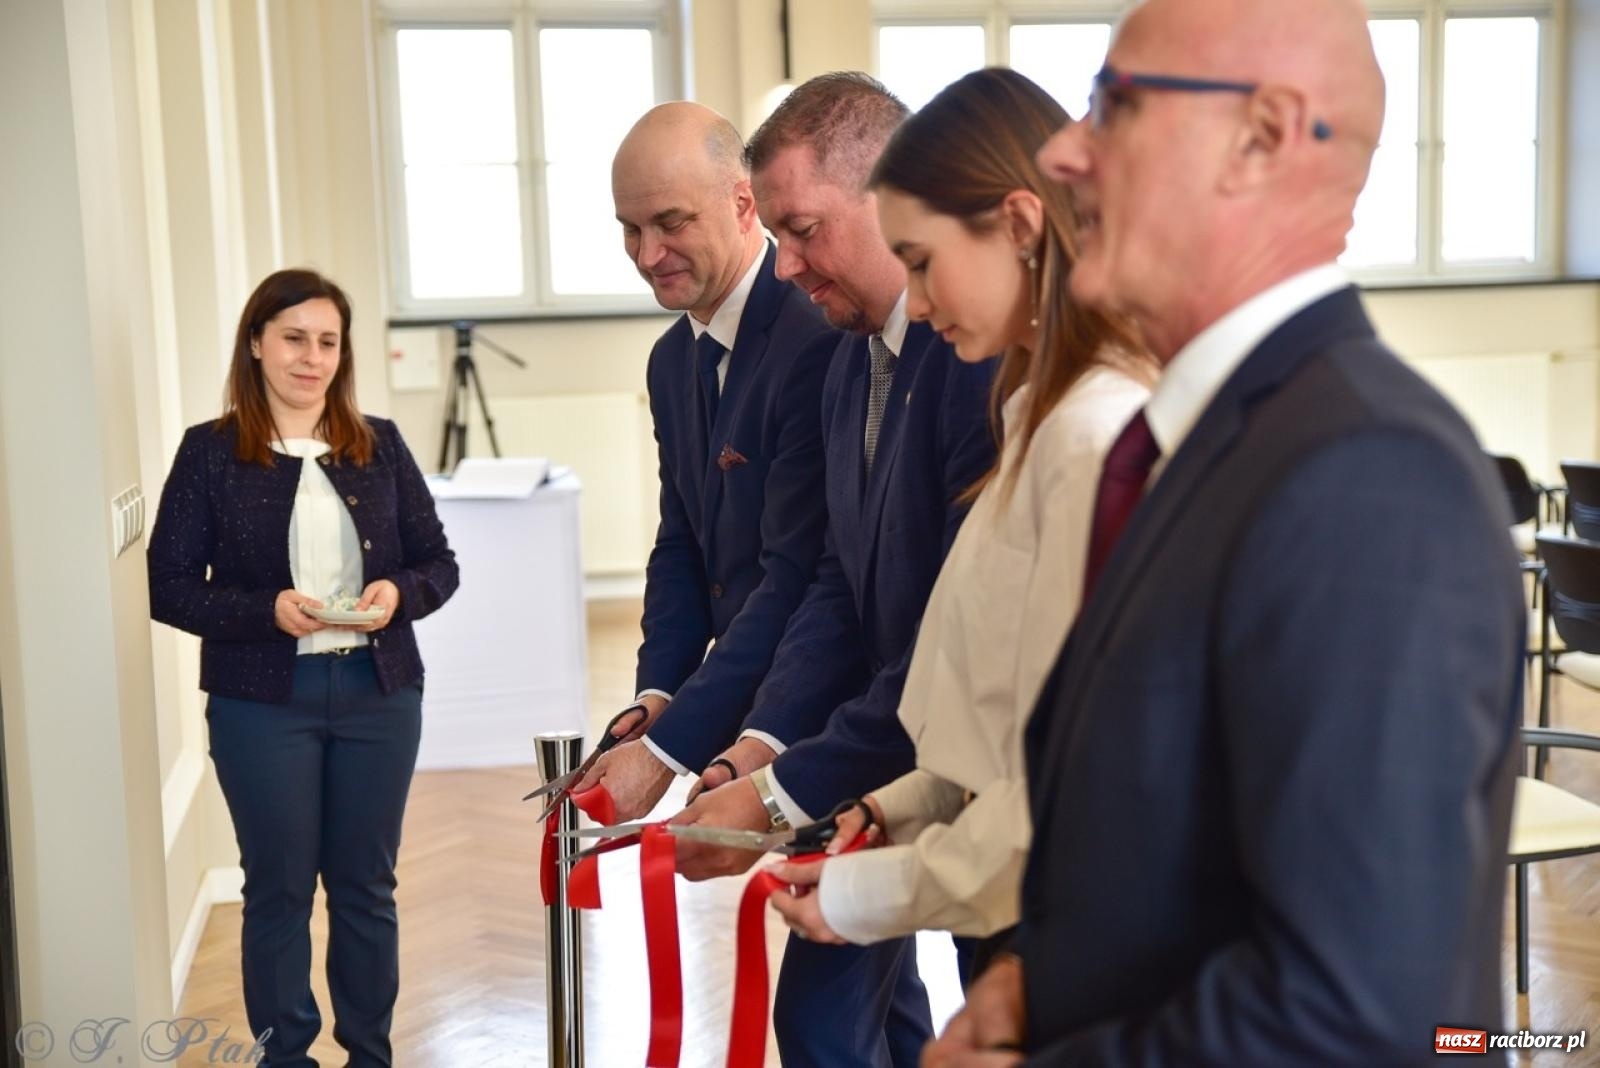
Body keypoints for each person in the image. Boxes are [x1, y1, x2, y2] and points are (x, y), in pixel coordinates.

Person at [925, 1, 1525, 1065]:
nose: (1063, 152)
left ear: (1261, 137)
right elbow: (1182, 854)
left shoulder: (1366, 476)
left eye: (1114, 105)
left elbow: (1353, 1014)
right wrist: (1036, 985)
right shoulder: (1202, 440)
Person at [762, 68, 1154, 950]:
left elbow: (1066, 781)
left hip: (1064, 920)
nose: (919, 302)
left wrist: (868, 894)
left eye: (924, 263)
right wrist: (890, 808)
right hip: (999, 884)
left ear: (1018, 226)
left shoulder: (1093, 436)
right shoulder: (1030, 413)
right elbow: (996, 715)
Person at [665, 72, 998, 1068]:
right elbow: (837, 589)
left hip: (982, 783)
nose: (786, 265)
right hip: (878, 756)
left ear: (889, 195)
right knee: (844, 1021)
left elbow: (953, 636)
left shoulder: (976, 361)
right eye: (776, 236)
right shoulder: (847, 356)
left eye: (804, 230)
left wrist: (777, 793)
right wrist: (753, 752)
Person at [148, 269, 459, 1068]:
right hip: (261, 705)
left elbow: (439, 564)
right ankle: (285, 1056)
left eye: (327, 342)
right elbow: (168, 585)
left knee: (365, 887)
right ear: (256, 343)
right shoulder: (210, 453)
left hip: (378, 695)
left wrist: (399, 592)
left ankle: (369, 1055)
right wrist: (267, 611)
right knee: (279, 889)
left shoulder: (379, 444)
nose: (311, 358)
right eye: (293, 338)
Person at [568, 102, 840, 821]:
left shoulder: (813, 335)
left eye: (671, 222)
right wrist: (656, 694)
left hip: (813, 701)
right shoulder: (670, 360)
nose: (647, 254)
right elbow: (682, 542)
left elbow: (794, 574)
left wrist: (668, 750)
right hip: (742, 691)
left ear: (743, 204)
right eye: (631, 229)